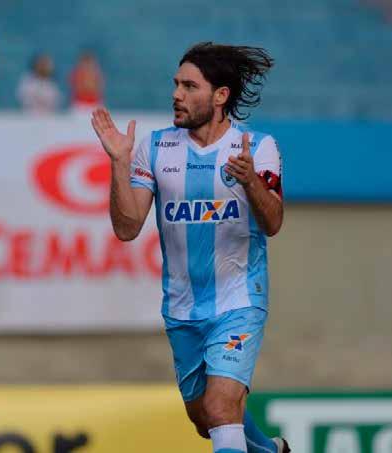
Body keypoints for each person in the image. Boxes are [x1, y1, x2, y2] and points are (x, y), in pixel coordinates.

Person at [91, 42, 289, 453]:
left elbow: (273, 223)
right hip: (182, 308)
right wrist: (119, 164)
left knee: (221, 407)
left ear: (220, 96)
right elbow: (127, 227)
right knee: (206, 419)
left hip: (238, 301)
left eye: (189, 86)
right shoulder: (157, 147)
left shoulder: (257, 147)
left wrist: (251, 180)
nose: (176, 95)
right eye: (176, 84)